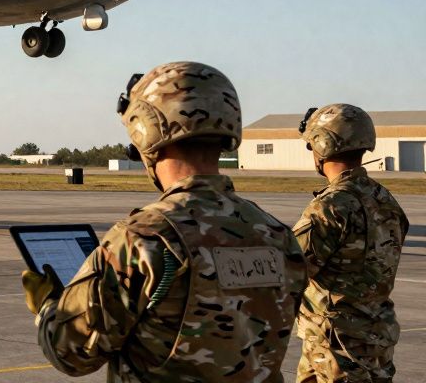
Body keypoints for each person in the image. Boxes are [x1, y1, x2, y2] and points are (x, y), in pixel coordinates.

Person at [22, 61, 307, 381]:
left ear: (145, 133)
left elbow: (71, 354)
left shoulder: (144, 239)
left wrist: (49, 307)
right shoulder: (277, 236)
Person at [294, 104, 408, 383]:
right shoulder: (385, 200)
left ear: (322, 145)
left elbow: (290, 269)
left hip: (337, 347)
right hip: (375, 339)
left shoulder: (330, 207)